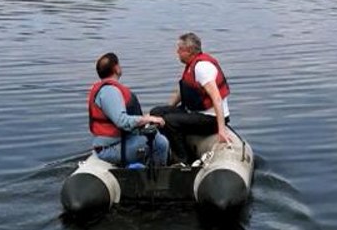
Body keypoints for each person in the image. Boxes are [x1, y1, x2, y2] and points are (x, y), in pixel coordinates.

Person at [150, 32, 233, 162]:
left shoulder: (202, 68)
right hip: (196, 112)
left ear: (189, 51)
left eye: (180, 49)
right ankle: (169, 147)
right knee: (157, 112)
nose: (177, 52)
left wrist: (221, 129)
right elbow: (182, 91)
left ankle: (182, 159)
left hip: (210, 119)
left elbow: (216, 98)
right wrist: (167, 109)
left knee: (170, 121)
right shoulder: (191, 65)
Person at [87, 52, 169, 167]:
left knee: (152, 135)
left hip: (114, 143)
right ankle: (160, 174)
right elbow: (122, 121)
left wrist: (143, 119)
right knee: (160, 142)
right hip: (110, 149)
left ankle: (145, 167)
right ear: (116, 68)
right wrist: (147, 119)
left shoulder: (104, 89)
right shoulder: (109, 91)